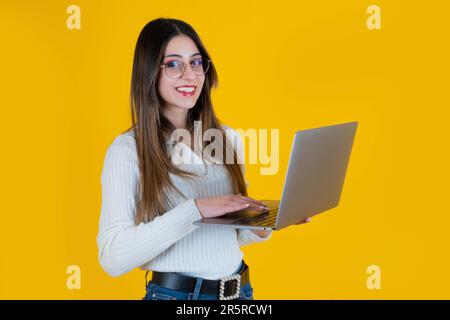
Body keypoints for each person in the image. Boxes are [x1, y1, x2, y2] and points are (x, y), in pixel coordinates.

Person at [97, 17, 309, 300]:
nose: (190, 74)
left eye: (196, 62)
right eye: (173, 64)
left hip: (239, 294)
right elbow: (113, 257)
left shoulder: (228, 138)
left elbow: (229, 235)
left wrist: (263, 223)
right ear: (149, 72)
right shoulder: (127, 151)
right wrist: (194, 209)